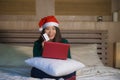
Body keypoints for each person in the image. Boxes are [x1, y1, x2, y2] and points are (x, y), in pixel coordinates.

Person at [31, 15, 76, 80]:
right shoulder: (37, 43)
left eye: (53, 29)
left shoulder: (64, 41)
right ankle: (59, 77)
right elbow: (36, 60)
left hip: (59, 67)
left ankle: (55, 76)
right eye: (47, 29)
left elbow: (69, 58)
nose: (50, 32)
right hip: (45, 68)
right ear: (43, 31)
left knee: (72, 70)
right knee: (34, 71)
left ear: (56, 30)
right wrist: (43, 48)